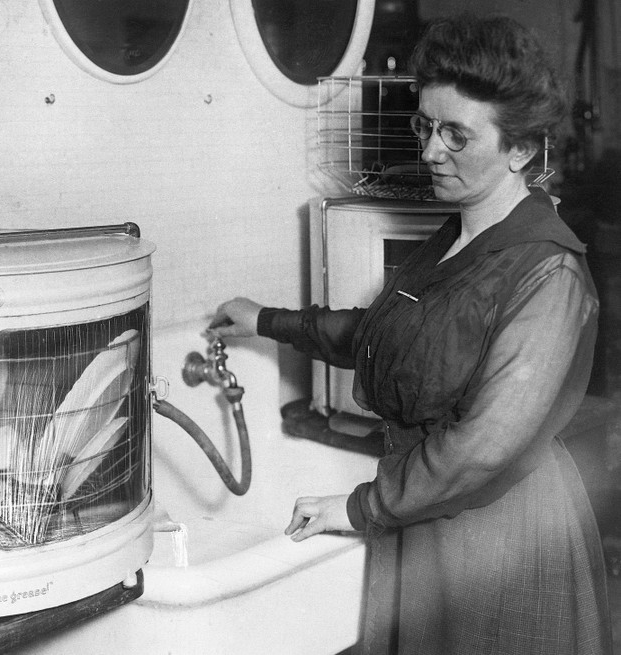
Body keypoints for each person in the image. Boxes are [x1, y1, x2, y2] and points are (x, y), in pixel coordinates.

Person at [210, 14, 613, 655]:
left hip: (496, 534)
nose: (429, 152)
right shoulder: (457, 235)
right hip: (426, 511)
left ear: (519, 149)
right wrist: (266, 320)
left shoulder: (549, 273)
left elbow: (483, 447)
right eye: (425, 127)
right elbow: (387, 336)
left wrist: (358, 507)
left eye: (457, 134)